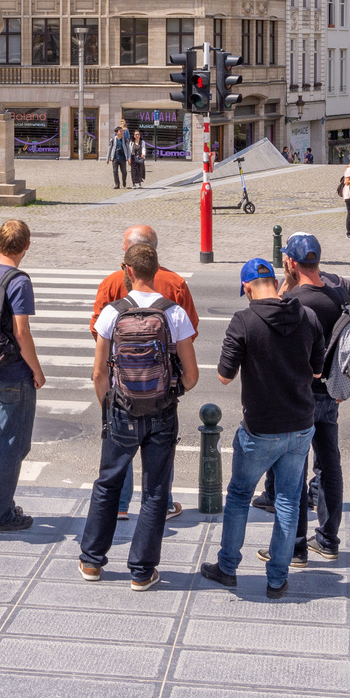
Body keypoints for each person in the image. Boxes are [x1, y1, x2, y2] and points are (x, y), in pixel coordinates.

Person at [254, 232, 350, 565]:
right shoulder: (338, 286)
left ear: (292, 262)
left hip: (300, 394)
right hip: (331, 392)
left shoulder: (297, 300)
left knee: (293, 470)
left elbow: (270, 322)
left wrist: (286, 280)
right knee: (328, 465)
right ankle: (327, 540)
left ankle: (294, 547)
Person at [78, 243, 199, 590]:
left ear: (127, 270)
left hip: (121, 410)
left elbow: (99, 372)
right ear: (156, 270)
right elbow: (191, 376)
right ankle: (142, 571)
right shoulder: (173, 314)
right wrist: (170, 391)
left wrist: (111, 404)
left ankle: (91, 561)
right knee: (156, 491)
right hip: (161, 412)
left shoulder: (112, 313)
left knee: (108, 484)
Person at [199, 259, 322, 597]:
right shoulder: (307, 317)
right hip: (300, 425)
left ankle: (227, 567)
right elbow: (316, 371)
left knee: (239, 495)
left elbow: (224, 376)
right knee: (288, 500)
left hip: (260, 428)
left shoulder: (244, 320)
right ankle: (277, 579)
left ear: (249, 287)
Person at [91, 225, 198, 521]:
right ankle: (162, 504)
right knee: (160, 458)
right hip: (161, 390)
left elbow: (96, 331)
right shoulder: (175, 283)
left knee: (118, 455)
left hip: (122, 390)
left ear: (128, 262)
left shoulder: (113, 282)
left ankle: (121, 505)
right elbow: (190, 333)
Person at [0, 219, 47, 533]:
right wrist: (37, 370)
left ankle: (2, 503)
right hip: (14, 370)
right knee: (12, 446)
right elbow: (22, 332)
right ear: (26, 246)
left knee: (1, 441)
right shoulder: (19, 281)